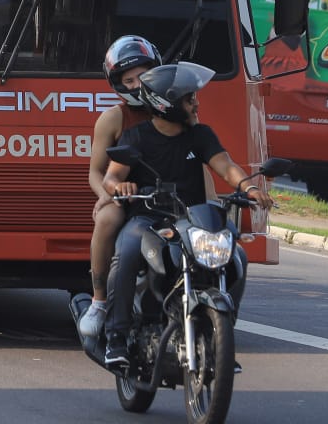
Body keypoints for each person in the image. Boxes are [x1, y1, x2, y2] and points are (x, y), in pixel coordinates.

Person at [99, 61, 270, 368]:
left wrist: (249, 187)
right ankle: (116, 338)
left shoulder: (200, 135)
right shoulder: (136, 137)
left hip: (192, 220)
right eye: (189, 98)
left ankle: (221, 337)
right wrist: (119, 186)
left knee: (237, 257)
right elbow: (111, 177)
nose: (196, 103)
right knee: (126, 253)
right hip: (147, 220)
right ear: (167, 104)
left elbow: (225, 166)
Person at [76, 35, 164, 341]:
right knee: (107, 219)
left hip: (167, 194)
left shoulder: (174, 110)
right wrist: (106, 196)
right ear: (118, 84)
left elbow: (198, 159)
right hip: (124, 195)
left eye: (143, 76)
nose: (138, 85)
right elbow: (95, 172)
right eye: (129, 80)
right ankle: (99, 301)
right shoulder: (113, 118)